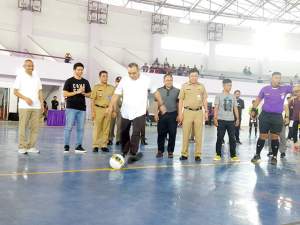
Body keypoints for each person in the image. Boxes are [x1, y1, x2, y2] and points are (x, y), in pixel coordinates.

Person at [108, 63, 164, 163]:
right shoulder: (124, 80)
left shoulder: (146, 80)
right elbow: (116, 94)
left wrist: (161, 104)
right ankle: (124, 151)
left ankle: (133, 153)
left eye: (134, 73)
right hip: (126, 111)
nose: (132, 75)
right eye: (129, 73)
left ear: (138, 70)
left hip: (139, 111)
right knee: (124, 132)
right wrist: (110, 106)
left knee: (136, 132)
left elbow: (156, 92)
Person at [251, 72, 297, 165]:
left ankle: (274, 157)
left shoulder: (285, 88)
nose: (278, 80)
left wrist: (295, 85)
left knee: (275, 137)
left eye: (279, 78)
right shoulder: (265, 89)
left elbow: (296, 88)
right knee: (263, 136)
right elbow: (258, 99)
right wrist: (253, 109)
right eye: (276, 78)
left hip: (277, 117)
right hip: (265, 116)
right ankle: (257, 155)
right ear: (271, 79)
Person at [13, 59, 44, 154]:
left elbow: (40, 91)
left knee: (35, 128)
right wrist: (26, 98)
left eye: (32, 65)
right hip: (24, 106)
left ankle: (31, 147)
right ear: (24, 66)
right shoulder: (20, 77)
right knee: (23, 127)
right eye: (28, 66)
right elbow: (15, 92)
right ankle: (22, 147)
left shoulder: (36, 77)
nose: (31, 67)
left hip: (36, 107)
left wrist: (42, 104)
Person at [178, 68, 208, 161]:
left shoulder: (202, 86)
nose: (194, 77)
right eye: (192, 76)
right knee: (186, 134)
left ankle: (198, 155)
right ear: (189, 76)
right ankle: (184, 154)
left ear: (198, 76)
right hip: (187, 112)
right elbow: (181, 100)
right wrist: (180, 114)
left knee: (199, 135)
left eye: (196, 76)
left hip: (199, 112)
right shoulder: (184, 86)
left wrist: (206, 111)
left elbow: (204, 100)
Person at [63, 62, 91, 153]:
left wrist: (84, 93)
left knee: (81, 128)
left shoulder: (85, 82)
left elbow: (90, 94)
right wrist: (77, 92)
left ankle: (78, 146)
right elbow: (65, 94)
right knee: (69, 127)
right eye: (78, 70)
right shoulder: (69, 81)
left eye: (82, 70)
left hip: (82, 108)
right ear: (74, 70)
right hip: (71, 108)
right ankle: (66, 146)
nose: (80, 71)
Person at [213, 79, 240, 162]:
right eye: (228, 85)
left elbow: (235, 108)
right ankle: (218, 154)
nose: (230, 87)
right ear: (224, 85)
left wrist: (237, 119)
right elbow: (216, 108)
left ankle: (233, 155)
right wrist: (215, 118)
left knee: (232, 138)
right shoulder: (219, 96)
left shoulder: (233, 96)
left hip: (231, 121)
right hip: (221, 120)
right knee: (220, 138)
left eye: (231, 85)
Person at [154, 73, 180, 158]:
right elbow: (155, 103)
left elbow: (178, 104)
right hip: (162, 115)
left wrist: (179, 114)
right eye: (167, 80)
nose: (169, 81)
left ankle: (170, 151)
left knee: (172, 134)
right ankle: (160, 151)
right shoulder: (159, 90)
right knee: (161, 134)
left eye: (170, 80)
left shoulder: (177, 91)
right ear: (164, 81)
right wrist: (155, 114)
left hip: (173, 115)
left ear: (172, 80)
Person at [91, 71, 115, 153]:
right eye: (103, 76)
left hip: (108, 109)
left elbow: (113, 100)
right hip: (98, 109)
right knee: (97, 128)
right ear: (100, 77)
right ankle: (95, 145)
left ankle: (104, 145)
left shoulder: (111, 88)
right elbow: (92, 100)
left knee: (106, 128)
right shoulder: (96, 87)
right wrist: (93, 112)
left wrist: (113, 110)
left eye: (106, 76)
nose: (105, 78)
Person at [108, 76, 122, 146]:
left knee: (119, 125)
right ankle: (110, 139)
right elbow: (110, 99)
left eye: (120, 82)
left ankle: (118, 139)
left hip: (121, 109)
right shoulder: (112, 89)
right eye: (117, 81)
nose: (119, 83)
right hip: (113, 108)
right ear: (115, 82)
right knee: (111, 124)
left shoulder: (124, 90)